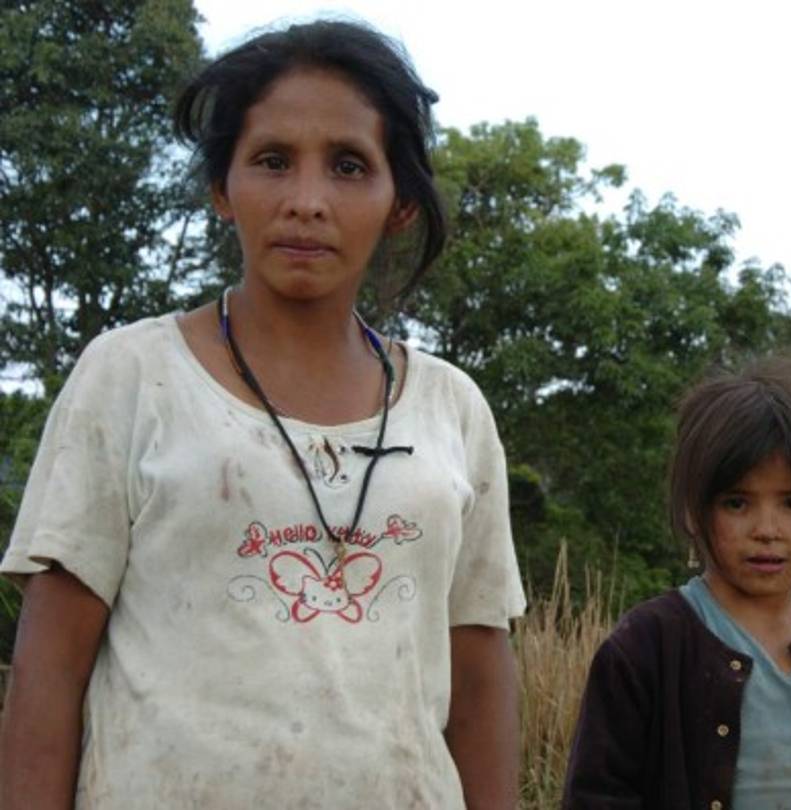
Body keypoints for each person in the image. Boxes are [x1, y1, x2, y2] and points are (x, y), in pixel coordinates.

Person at [0, 20, 525, 810]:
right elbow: (49, 665)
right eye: (272, 161)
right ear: (222, 187)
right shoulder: (135, 376)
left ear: (401, 204)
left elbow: (480, 673)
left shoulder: (451, 410)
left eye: (350, 166)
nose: (306, 202)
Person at [563, 356, 791, 810]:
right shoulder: (646, 646)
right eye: (737, 503)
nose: (767, 529)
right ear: (696, 509)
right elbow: (598, 795)